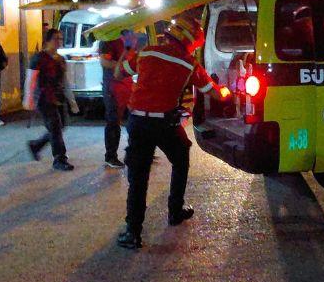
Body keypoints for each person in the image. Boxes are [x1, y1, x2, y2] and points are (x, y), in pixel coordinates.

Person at [115, 14, 230, 249]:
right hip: (164, 124)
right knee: (181, 157)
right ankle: (175, 210)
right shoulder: (189, 63)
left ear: (170, 34)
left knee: (138, 177)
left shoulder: (147, 52)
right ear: (190, 42)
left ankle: (133, 233)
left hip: (138, 122)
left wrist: (127, 50)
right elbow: (216, 93)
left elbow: (119, 73)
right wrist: (228, 91)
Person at [27, 28, 79, 171]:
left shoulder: (61, 60)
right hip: (44, 99)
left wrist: (72, 101)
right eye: (56, 38)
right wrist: (29, 99)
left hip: (58, 98)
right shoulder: (39, 58)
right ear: (48, 41)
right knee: (55, 127)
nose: (59, 42)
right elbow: (31, 79)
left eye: (61, 39)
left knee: (60, 126)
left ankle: (36, 145)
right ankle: (59, 159)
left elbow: (65, 81)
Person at [98, 29, 137, 168]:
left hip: (128, 86)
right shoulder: (108, 39)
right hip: (113, 86)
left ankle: (135, 152)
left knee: (136, 119)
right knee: (114, 121)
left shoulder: (130, 38)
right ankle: (111, 156)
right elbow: (104, 61)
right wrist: (123, 65)